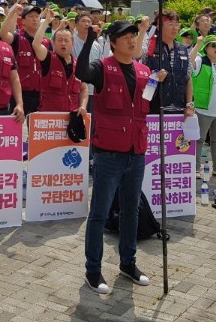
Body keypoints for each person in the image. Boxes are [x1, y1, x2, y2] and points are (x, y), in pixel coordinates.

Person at [76, 19, 179, 295]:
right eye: (125, 37)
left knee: (131, 211)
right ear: (113, 42)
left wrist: (162, 83)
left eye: (134, 35)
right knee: (99, 214)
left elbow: (152, 105)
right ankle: (93, 270)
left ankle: (128, 263)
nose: (132, 40)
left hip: (136, 152)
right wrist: (88, 41)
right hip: (109, 154)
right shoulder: (102, 68)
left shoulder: (144, 71)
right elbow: (81, 71)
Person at [189, 35, 216, 179]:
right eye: (213, 46)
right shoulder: (201, 61)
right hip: (203, 108)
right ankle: (195, 168)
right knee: (199, 140)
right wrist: (198, 43)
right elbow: (189, 62)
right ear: (206, 48)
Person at [32, 16, 88, 113]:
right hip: (49, 117)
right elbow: (36, 44)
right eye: (59, 40)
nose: (63, 43)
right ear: (53, 42)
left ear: (73, 43)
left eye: (66, 41)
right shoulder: (48, 58)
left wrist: (83, 106)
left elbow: (84, 88)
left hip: (71, 116)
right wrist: (46, 22)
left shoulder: (78, 64)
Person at [143, 9, 192, 111]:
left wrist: (189, 104)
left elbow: (187, 78)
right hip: (155, 108)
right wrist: (154, 78)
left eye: (177, 24)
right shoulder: (150, 46)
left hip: (179, 108)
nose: (175, 28)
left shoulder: (183, 49)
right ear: (158, 26)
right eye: (170, 24)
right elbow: (142, 77)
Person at [0, 3, 44, 115]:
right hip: (19, 92)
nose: (35, 19)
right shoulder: (17, 38)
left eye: (37, 16)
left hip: (39, 92)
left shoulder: (45, 42)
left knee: (37, 130)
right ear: (23, 21)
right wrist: (12, 12)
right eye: (31, 16)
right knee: (13, 127)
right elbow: (3, 34)